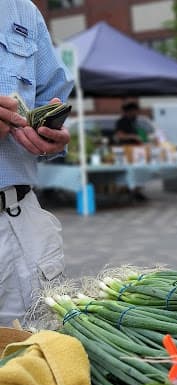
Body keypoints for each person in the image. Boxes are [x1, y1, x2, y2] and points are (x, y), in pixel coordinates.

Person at [0, 0, 73, 326]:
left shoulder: (22, 10)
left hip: (20, 222)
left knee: (42, 359)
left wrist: (50, 141)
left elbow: (51, 98)